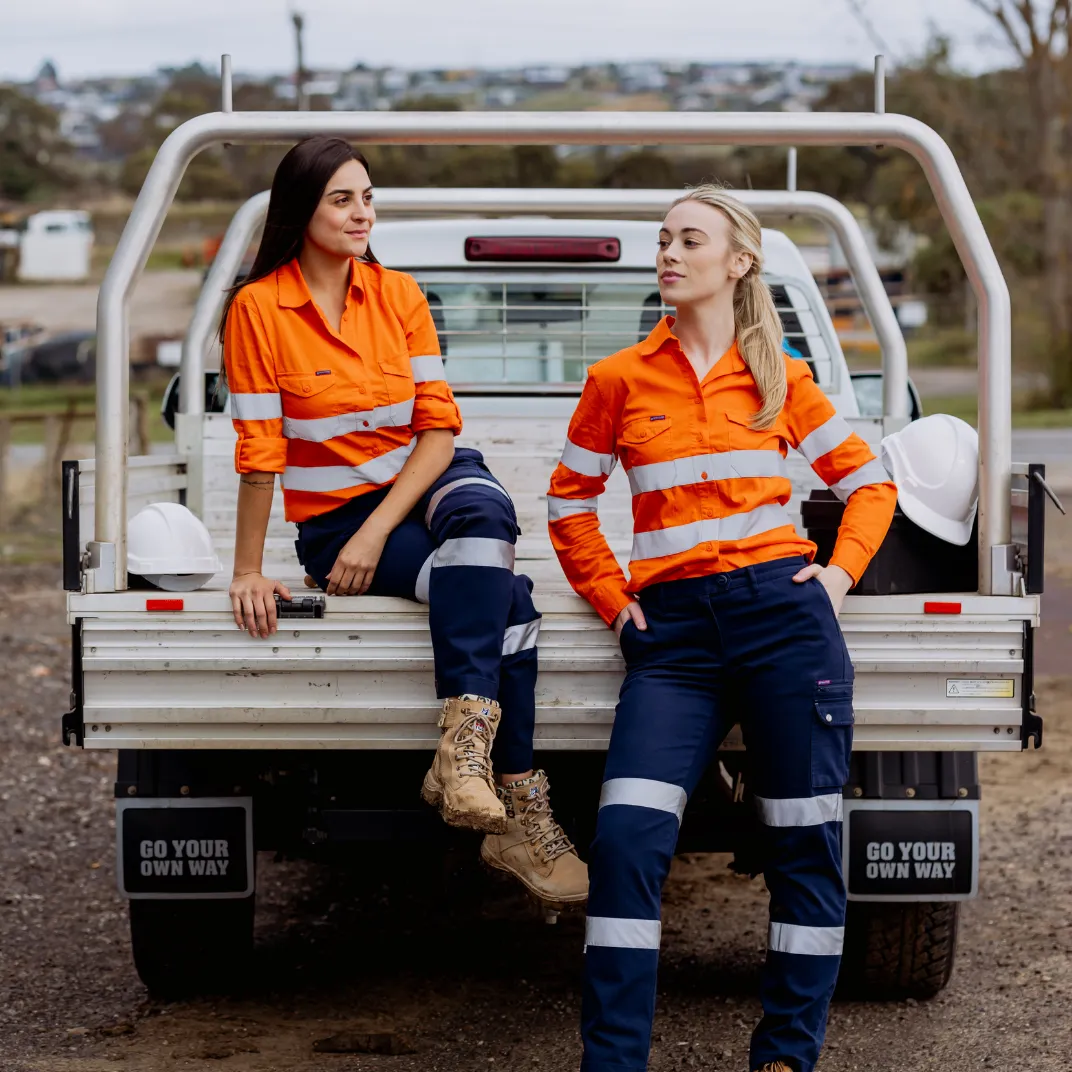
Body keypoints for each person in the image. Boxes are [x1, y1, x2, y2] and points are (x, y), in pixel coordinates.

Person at [547, 185, 897, 1072]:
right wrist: (610, 596)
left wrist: (838, 576)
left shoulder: (782, 375)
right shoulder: (618, 380)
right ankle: (614, 1061)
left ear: (738, 263)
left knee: (802, 841)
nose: (667, 252)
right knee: (626, 839)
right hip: (674, 644)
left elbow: (870, 485)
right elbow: (568, 502)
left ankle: (786, 1054)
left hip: (785, 623)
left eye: (688, 239)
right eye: (662, 239)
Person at [222, 135, 587, 909]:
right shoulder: (258, 310)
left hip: (423, 482)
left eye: (367, 197)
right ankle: (517, 806)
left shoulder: (399, 294)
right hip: (334, 518)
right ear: (301, 211)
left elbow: (438, 432)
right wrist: (248, 568)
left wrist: (378, 531)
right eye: (342, 199)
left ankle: (459, 761)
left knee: (487, 510)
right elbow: (260, 454)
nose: (362, 214)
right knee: (510, 601)